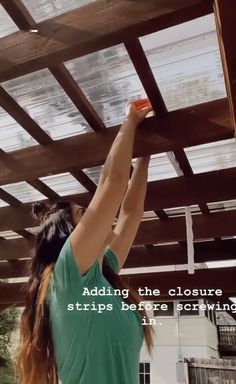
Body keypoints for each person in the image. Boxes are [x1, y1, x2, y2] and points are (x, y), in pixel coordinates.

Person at [17, 102, 155, 384]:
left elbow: (130, 214)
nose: (96, 214)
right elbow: (112, 183)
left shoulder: (99, 274)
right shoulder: (67, 275)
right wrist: (130, 121)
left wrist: (146, 156)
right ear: (67, 235)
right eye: (84, 213)